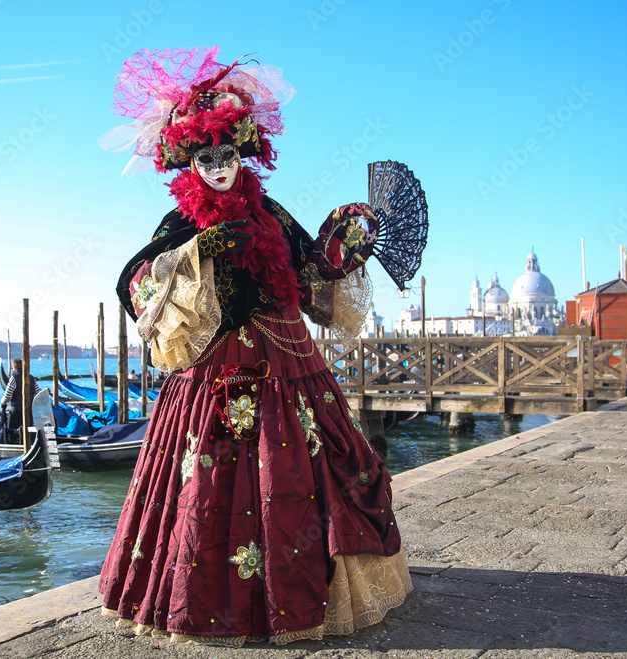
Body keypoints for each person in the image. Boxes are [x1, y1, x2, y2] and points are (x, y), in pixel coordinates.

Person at [97, 47, 411, 646]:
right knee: (211, 492)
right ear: (189, 162)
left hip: (293, 366)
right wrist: (199, 251)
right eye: (205, 158)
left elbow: (309, 273)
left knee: (314, 476)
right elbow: (135, 284)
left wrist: (342, 244)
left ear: (245, 152)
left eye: (227, 154)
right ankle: (220, 605)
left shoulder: (270, 211)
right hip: (218, 377)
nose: (218, 168)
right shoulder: (182, 222)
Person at [0, 357, 39, 438]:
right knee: (27, 431)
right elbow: (38, 392)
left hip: (16, 410)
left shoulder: (14, 378)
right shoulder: (31, 378)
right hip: (29, 410)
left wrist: (2, 403)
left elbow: (8, 394)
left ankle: (15, 445)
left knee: (11, 431)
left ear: (14, 367)